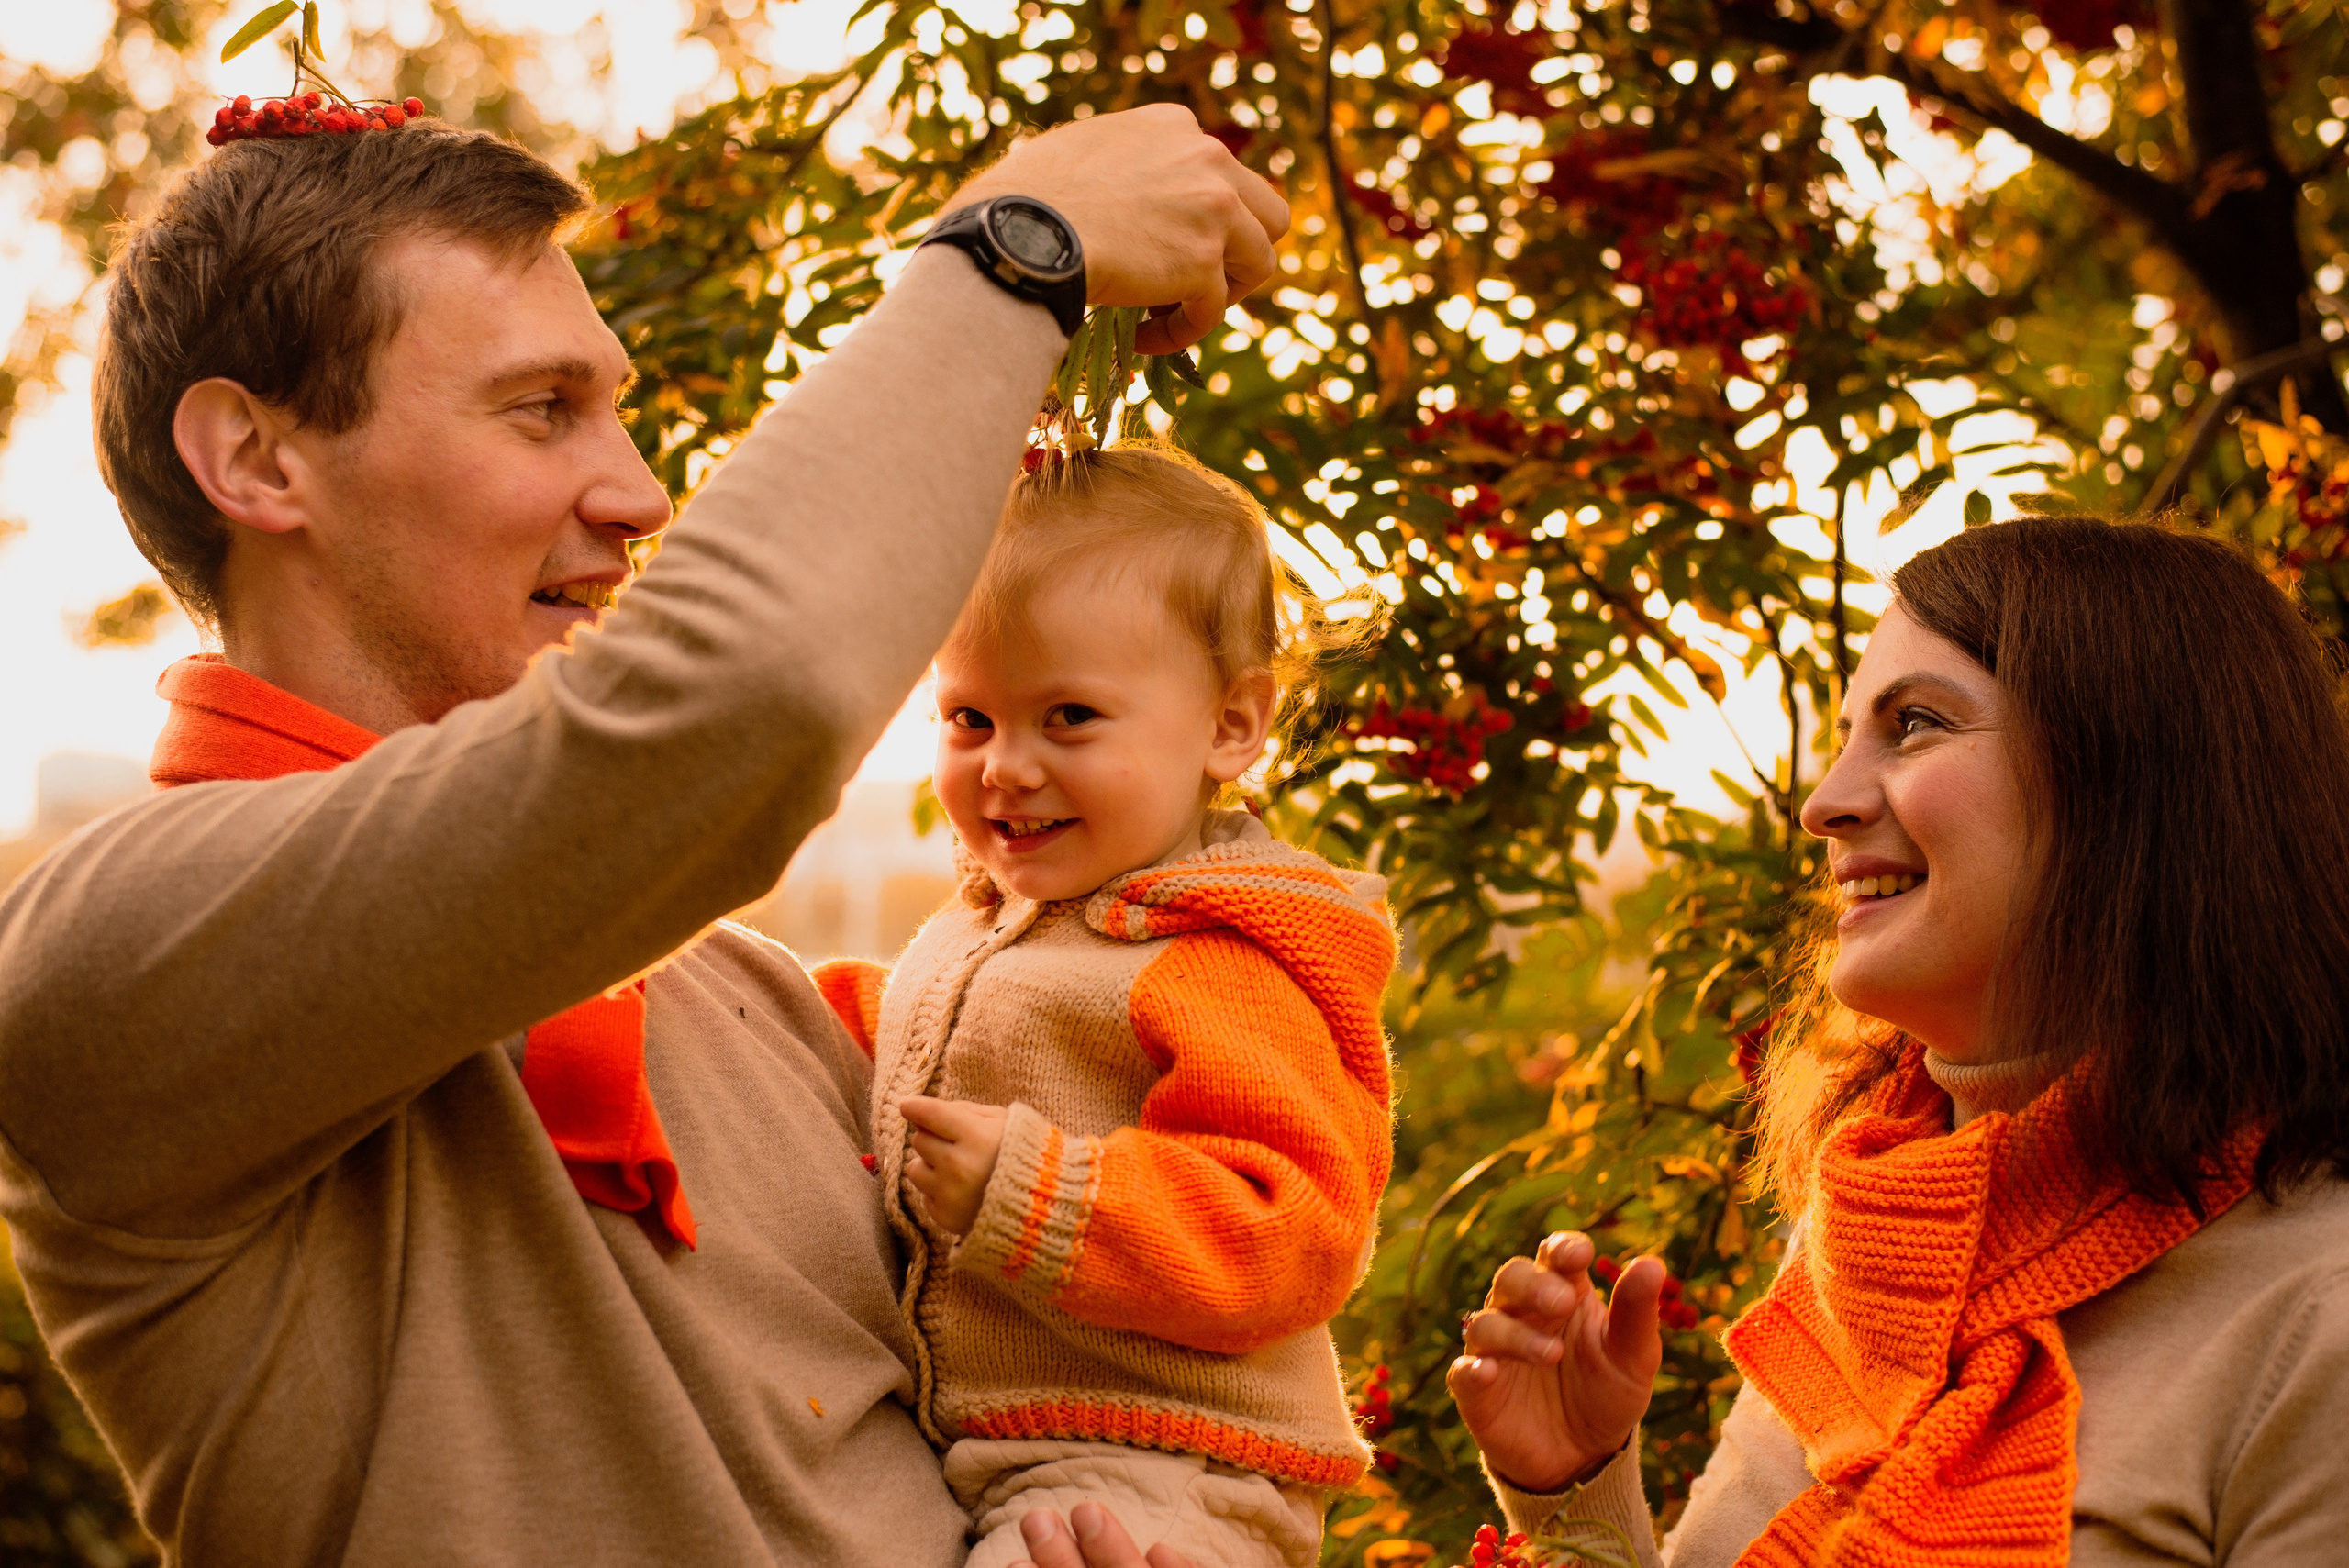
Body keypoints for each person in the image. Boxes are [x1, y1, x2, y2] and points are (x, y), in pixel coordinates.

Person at [0, 103, 1286, 1567]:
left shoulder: (754, 1004)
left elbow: (1106, 1400)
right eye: (542, 408)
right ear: (257, 459)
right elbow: (743, 707)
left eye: (614, 407)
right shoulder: (109, 958)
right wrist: (1012, 254)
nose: (640, 494)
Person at [1449, 517, 2349, 1565]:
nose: (1823, 802)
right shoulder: (1872, 1254)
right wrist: (1573, 1500)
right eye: (1842, 736)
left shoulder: (2315, 1315)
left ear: (2138, 774)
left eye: (1914, 723)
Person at [809, 443, 1397, 1568]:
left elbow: (1294, 1226)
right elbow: (918, 1035)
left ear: (1231, 725)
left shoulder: (1214, 954)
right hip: (1000, 1443)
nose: (1004, 768)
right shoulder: (1000, 928)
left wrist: (1040, 1192)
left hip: (1170, 1465)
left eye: (1068, 716)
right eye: (967, 717)